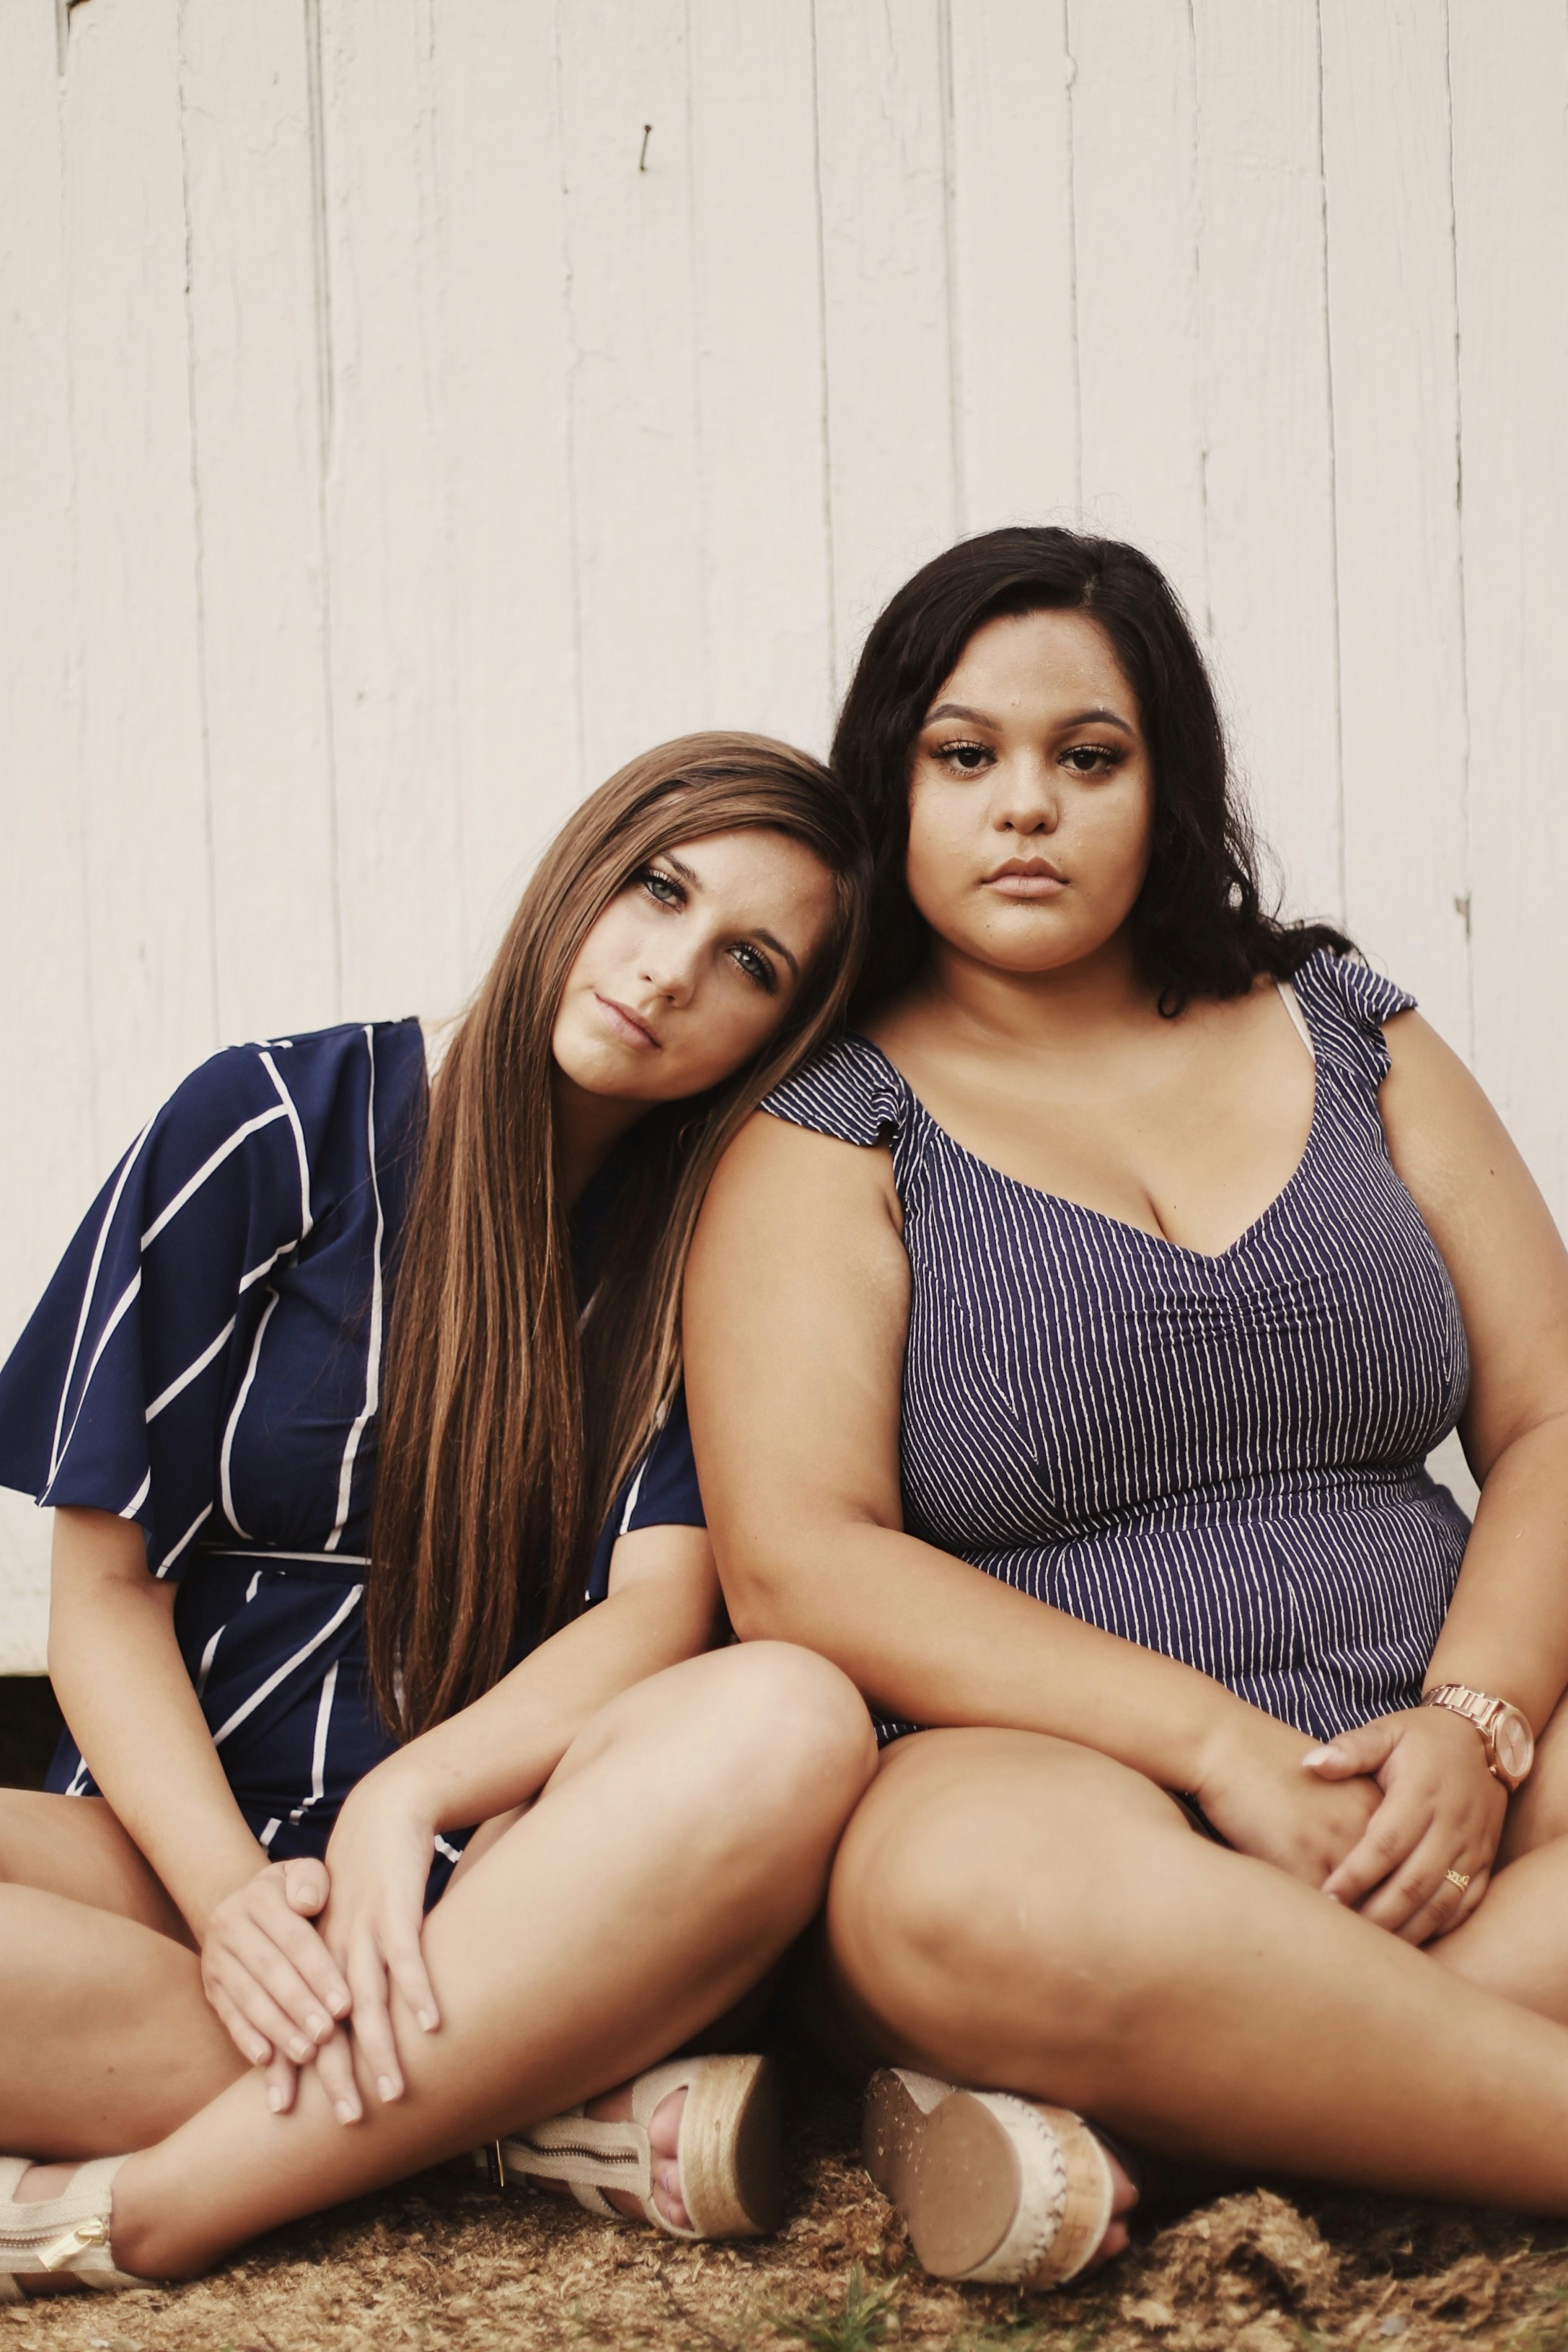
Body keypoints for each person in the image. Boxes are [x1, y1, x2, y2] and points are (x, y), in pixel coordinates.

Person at [684, 530, 1568, 2294]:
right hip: (1055, 1795)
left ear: (1166, 788)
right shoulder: (826, 1128)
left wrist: (1472, 1728)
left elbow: (1549, 1416)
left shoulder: (1349, 1031)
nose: (1026, 804)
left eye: (1087, 757)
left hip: (1429, 1754)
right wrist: (1218, 1748)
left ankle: (1146, 2116)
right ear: (894, 786)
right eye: (966, 756)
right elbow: (802, 1563)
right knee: (970, 1903)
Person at [0, 734, 878, 2296]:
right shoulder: (272, 1120)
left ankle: (148, 2196)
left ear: (785, 1024)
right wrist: (232, 1905)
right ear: (584, 862)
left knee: (786, 1715)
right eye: (656, 888)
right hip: (177, 1843)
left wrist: (404, 1803)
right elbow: (104, 1593)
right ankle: (531, 2116)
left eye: (747, 960)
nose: (669, 970)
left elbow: (658, 1611)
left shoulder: (718, 1236)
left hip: (517, 1869)